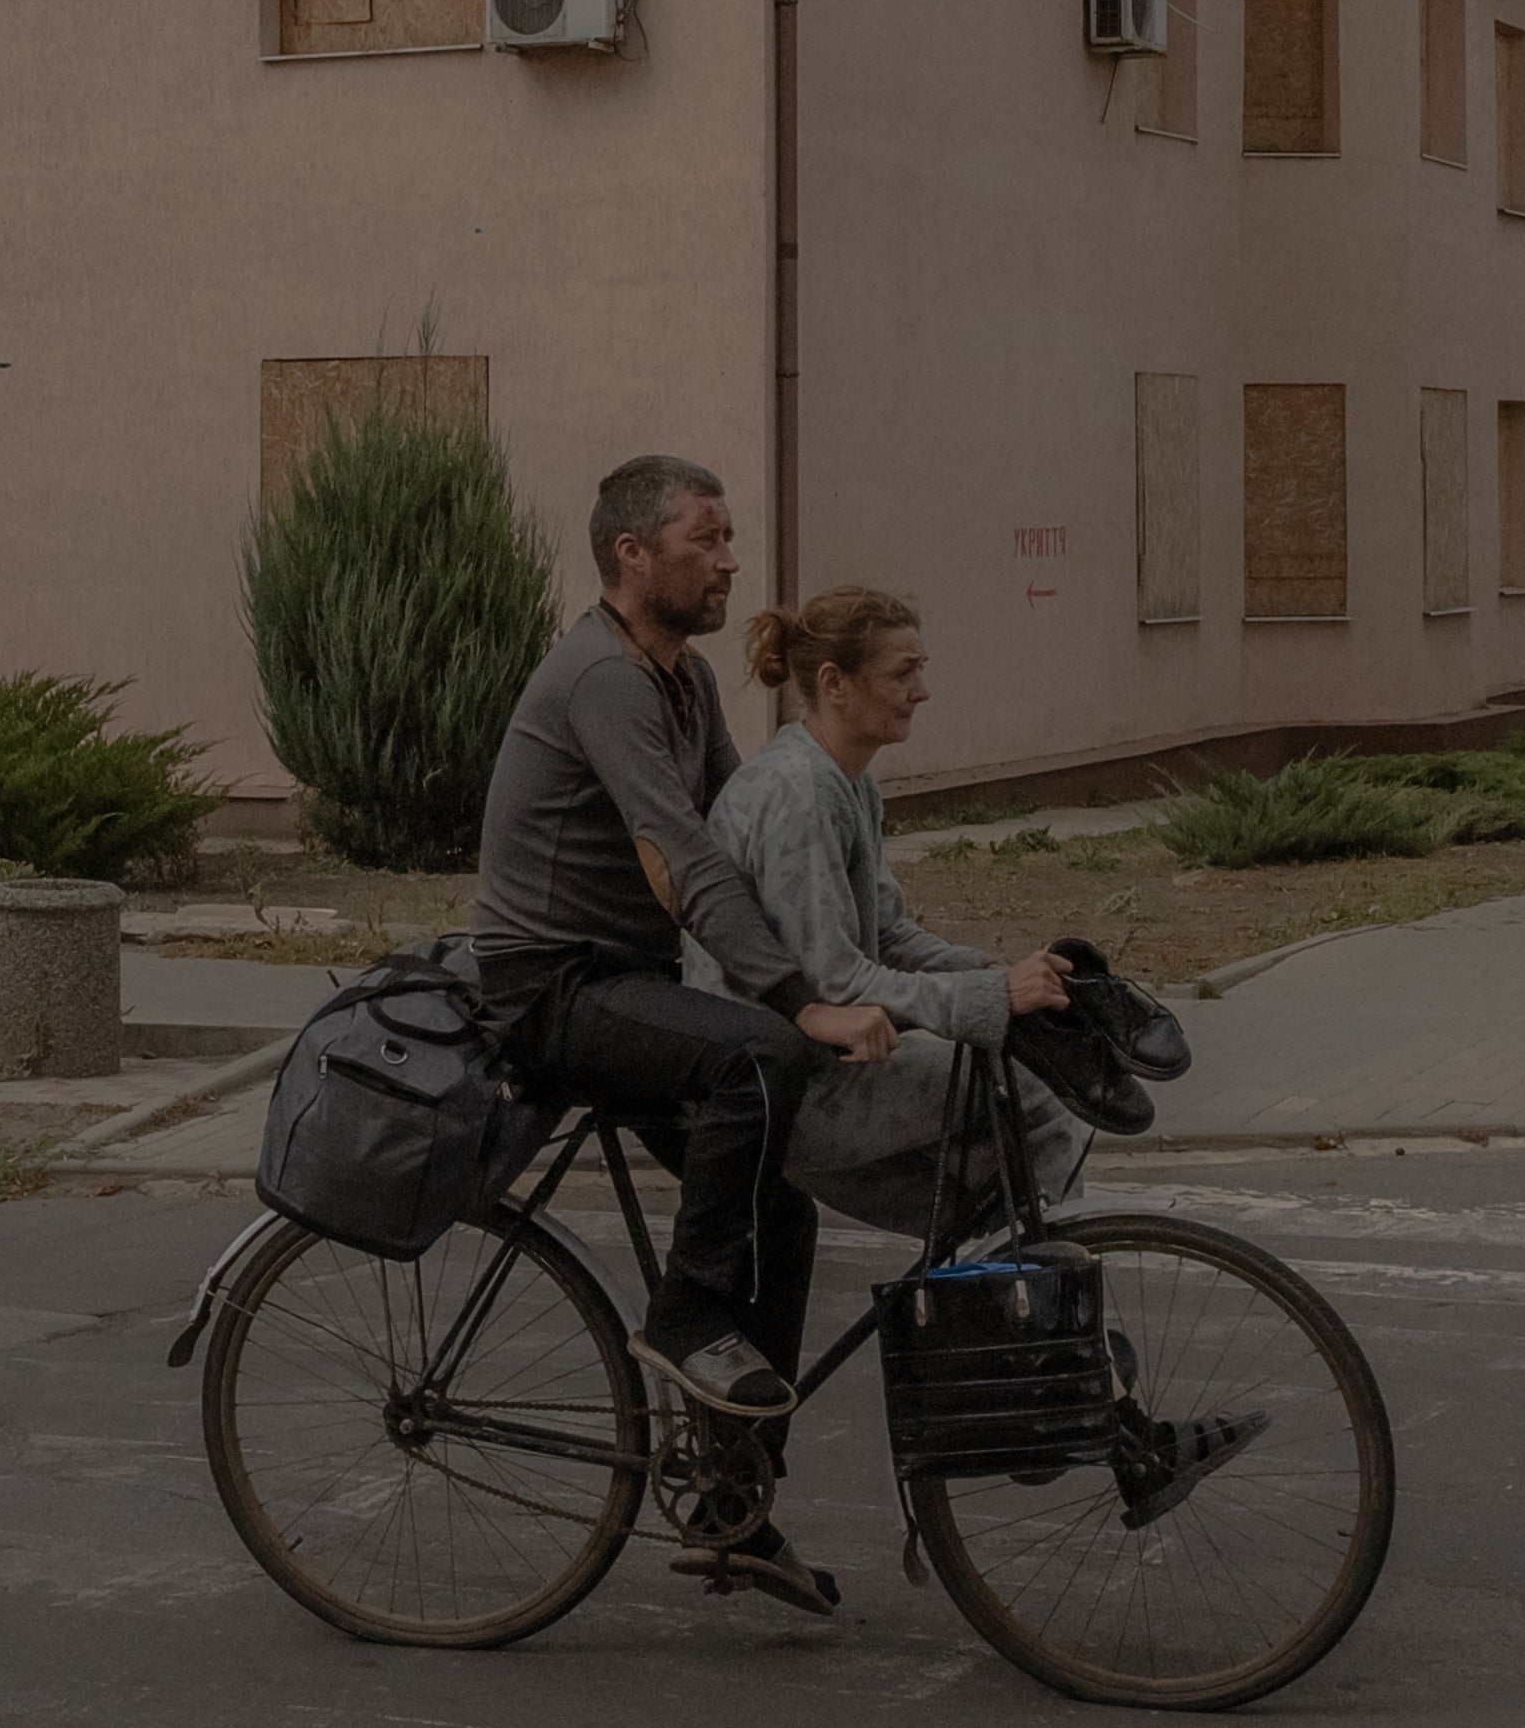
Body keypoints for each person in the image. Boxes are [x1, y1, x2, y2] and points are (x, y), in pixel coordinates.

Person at [468, 456, 893, 1446]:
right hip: (551, 988)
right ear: (632, 553)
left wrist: (864, 978)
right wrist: (800, 1003)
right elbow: (686, 863)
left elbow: (739, 839)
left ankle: (731, 1489)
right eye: (706, 539)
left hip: (628, 982)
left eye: (728, 538)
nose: (730, 561)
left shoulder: (686, 679)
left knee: (781, 1197)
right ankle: (686, 1319)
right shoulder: (603, 680)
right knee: (761, 1054)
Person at [712, 587, 1092, 1229]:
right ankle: (1057, 1306)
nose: (922, 691)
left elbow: (887, 934)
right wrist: (992, 995)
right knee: (1035, 1106)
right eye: (902, 672)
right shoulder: (799, 794)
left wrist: (1001, 972)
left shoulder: (847, 780)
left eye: (921, 669)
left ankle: (1008, 1309)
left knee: (989, 1191)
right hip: (780, 1087)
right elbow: (834, 981)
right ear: (835, 683)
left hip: (822, 1069)